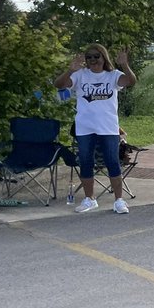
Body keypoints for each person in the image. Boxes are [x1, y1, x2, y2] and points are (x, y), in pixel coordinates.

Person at [55, 43, 136, 214]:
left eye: (96, 56)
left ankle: (119, 200)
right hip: (85, 127)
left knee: (112, 161)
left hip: (108, 127)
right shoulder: (80, 75)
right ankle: (89, 199)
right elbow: (59, 85)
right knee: (86, 161)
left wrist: (124, 64)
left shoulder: (113, 75)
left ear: (103, 57)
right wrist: (70, 70)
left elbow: (130, 81)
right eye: (89, 57)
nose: (93, 60)